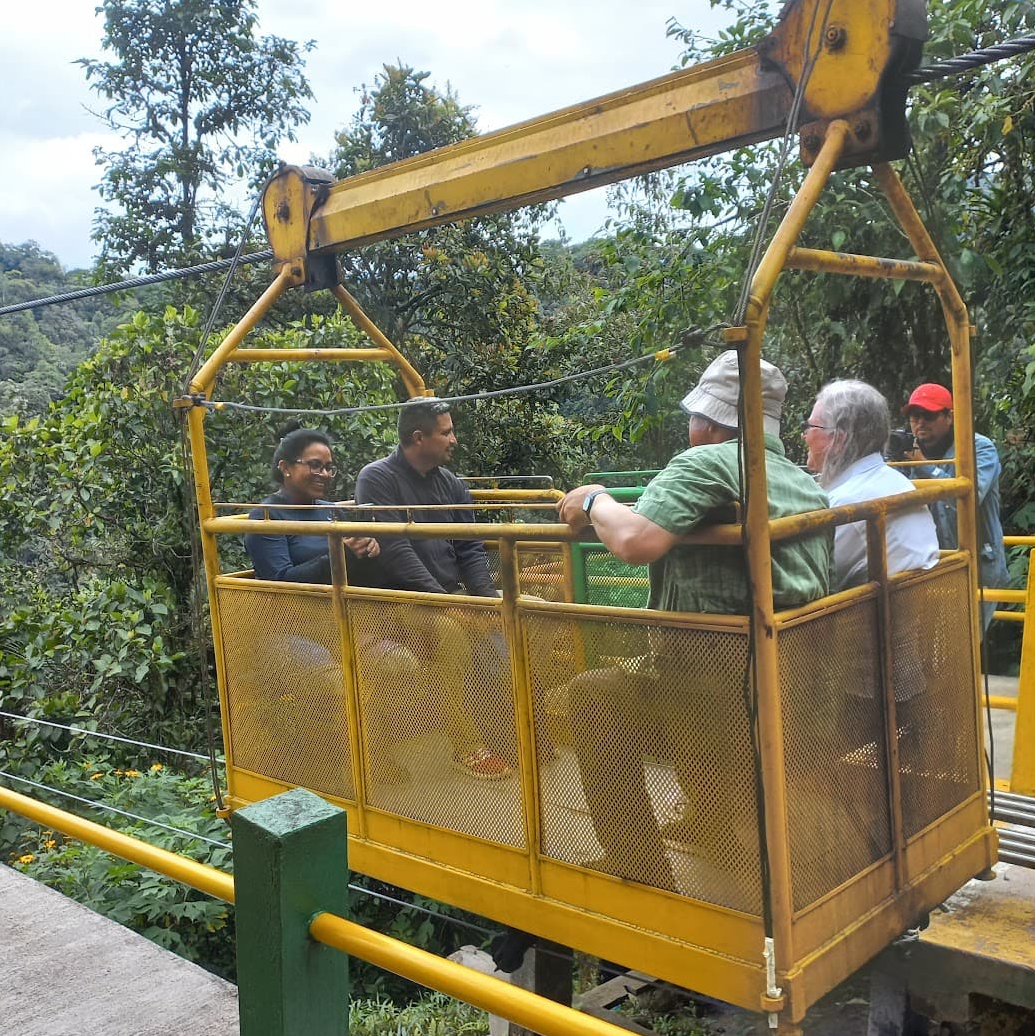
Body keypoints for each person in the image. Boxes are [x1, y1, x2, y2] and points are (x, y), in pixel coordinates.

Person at [556, 350, 832, 893]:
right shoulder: (804, 483)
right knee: (651, 676)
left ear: (706, 422)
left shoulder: (707, 463)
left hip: (719, 687)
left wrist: (593, 498)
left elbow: (635, 540)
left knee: (591, 693)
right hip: (796, 680)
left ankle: (640, 868)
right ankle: (712, 822)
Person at [355, 398, 511, 781]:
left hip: (448, 593)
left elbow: (469, 546)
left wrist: (487, 599)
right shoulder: (377, 478)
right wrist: (442, 604)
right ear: (419, 437)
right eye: (446, 432)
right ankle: (466, 745)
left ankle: (513, 727)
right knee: (449, 633)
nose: (454, 440)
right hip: (400, 599)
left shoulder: (450, 484)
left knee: (529, 613)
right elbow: (394, 549)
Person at [801, 380, 938, 588]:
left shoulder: (847, 504)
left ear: (838, 439)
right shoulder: (894, 481)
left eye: (810, 427)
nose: (805, 436)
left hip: (882, 618)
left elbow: (808, 582)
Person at [898, 383, 1007, 628]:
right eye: (914, 417)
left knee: (965, 647)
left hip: (977, 567)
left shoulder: (978, 448)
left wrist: (923, 465)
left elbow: (968, 497)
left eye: (929, 415)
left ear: (950, 416)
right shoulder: (908, 452)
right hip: (933, 566)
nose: (920, 423)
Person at [245, 425, 379, 582]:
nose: (325, 474)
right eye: (315, 465)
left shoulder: (331, 511)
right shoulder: (266, 516)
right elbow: (279, 581)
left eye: (328, 467)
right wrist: (340, 555)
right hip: (294, 605)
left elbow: (354, 568)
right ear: (285, 467)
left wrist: (367, 550)